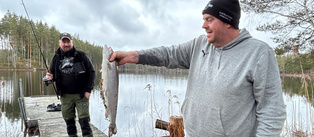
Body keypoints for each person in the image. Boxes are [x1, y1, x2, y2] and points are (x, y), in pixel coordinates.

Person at [109, 0, 286, 136]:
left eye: (209, 20)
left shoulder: (259, 53)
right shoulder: (199, 45)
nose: (203, 25)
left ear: (228, 21)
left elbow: (272, 112)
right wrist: (132, 56)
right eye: (204, 19)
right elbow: (168, 54)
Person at [45, 32, 96, 137]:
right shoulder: (55, 58)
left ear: (71, 42)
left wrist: (88, 90)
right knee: (69, 123)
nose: (66, 44)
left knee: (84, 122)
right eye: (64, 42)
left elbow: (92, 72)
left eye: (68, 42)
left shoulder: (81, 55)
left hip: (81, 95)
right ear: (60, 43)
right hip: (65, 96)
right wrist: (48, 79)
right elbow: (50, 77)